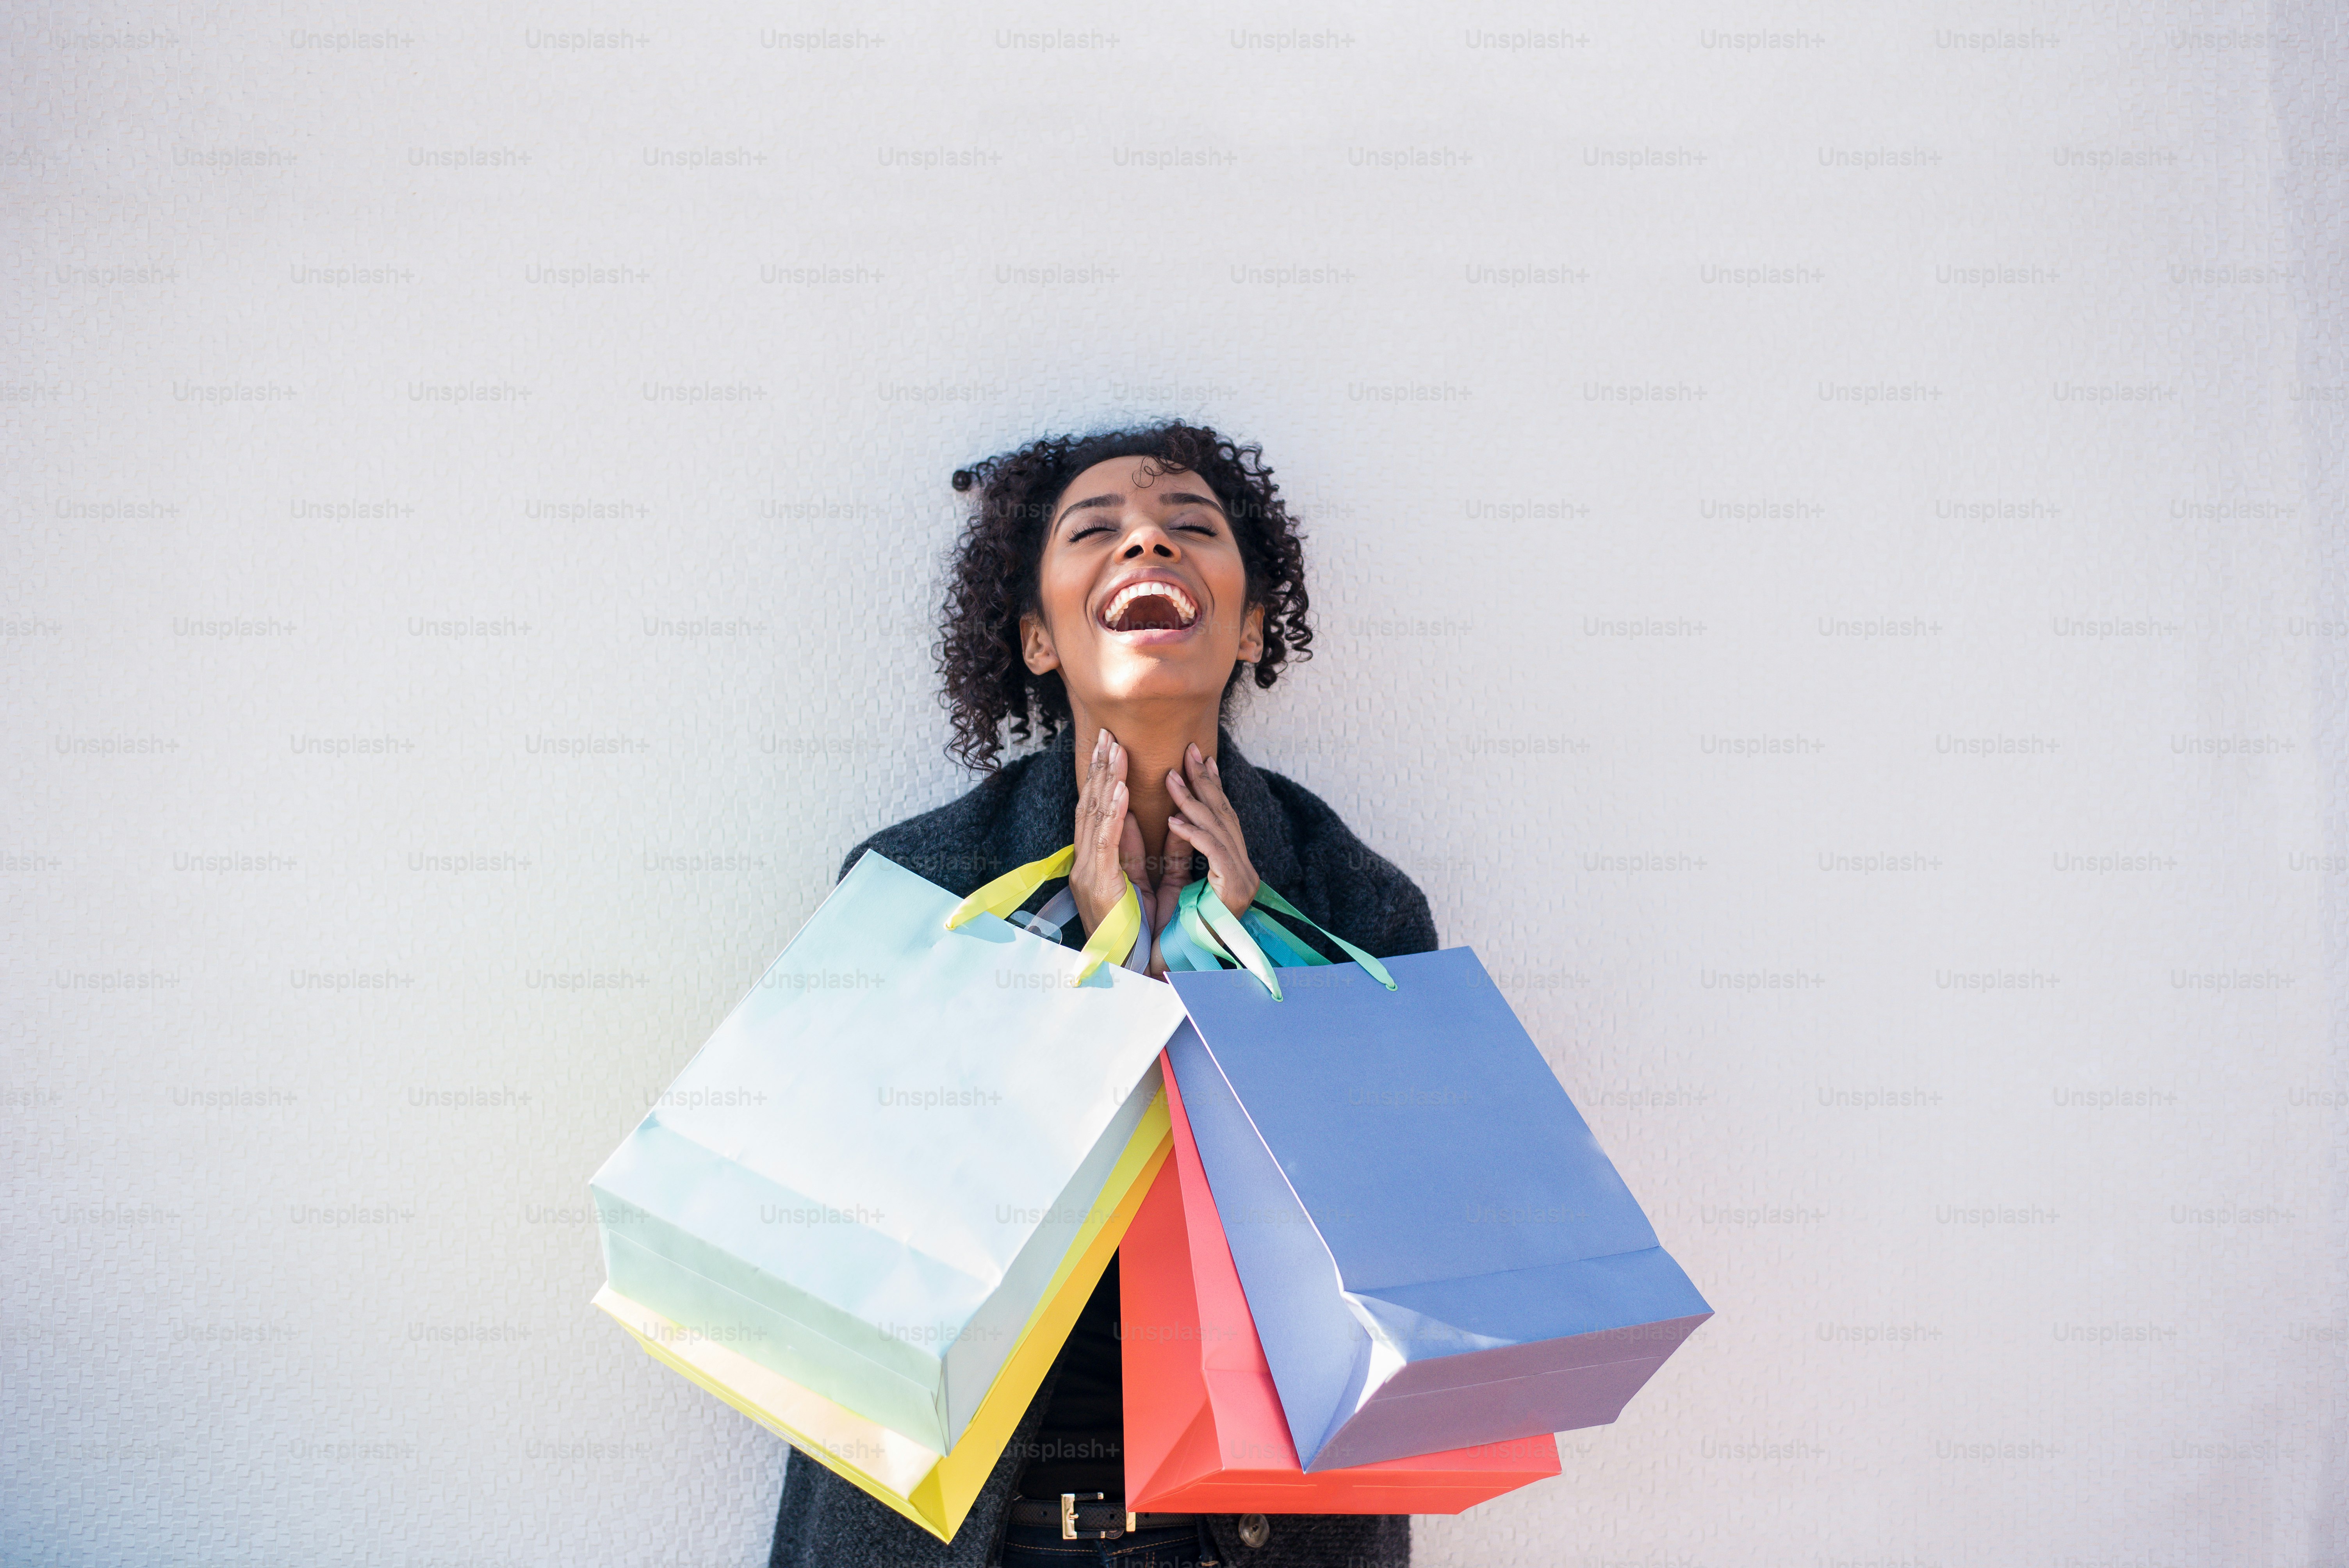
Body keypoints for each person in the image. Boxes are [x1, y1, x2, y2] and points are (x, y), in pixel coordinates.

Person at [769, 422, 1435, 1568]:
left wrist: (1246, 988)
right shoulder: (919, 891)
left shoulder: (1358, 908)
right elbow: (854, 1265)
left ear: (1252, 625)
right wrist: (1087, 996)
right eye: (1098, 533)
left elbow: (1402, 1266)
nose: (1146, 547)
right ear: (1035, 636)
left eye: (1190, 530)